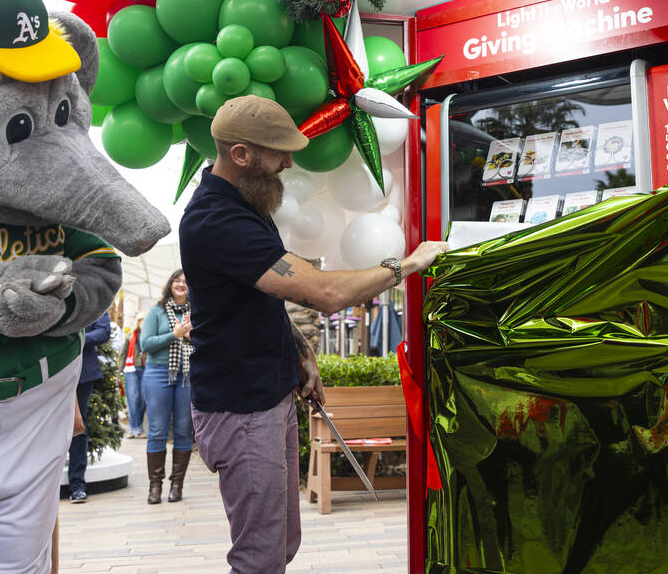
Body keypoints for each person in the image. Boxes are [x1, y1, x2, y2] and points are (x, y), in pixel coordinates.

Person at [179, 95, 448, 574]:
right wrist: (408, 265)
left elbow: (256, 299)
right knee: (260, 557)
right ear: (241, 154)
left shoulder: (243, 205)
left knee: (280, 544)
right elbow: (322, 291)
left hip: (266, 395)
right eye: (278, 152)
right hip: (242, 408)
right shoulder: (216, 220)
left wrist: (300, 354)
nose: (289, 162)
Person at [139, 269, 195, 504]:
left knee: (183, 429)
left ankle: (177, 485)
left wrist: (192, 337)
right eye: (177, 280)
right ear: (170, 283)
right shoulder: (157, 311)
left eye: (185, 281)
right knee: (158, 430)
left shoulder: (197, 312)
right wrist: (174, 334)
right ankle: (155, 486)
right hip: (158, 373)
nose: (181, 284)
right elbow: (146, 344)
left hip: (188, 375)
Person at [67, 311, 112, 504]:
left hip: (83, 373)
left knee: (78, 426)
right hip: (50, 372)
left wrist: (75, 340)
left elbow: (103, 331)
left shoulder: (94, 300)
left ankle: (77, 485)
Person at [117, 313, 147, 438]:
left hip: (146, 369)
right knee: (133, 399)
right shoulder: (130, 337)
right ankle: (134, 429)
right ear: (137, 322)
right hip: (131, 369)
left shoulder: (150, 336)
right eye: (140, 321)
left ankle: (137, 427)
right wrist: (119, 371)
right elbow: (123, 354)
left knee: (143, 399)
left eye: (145, 320)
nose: (142, 323)